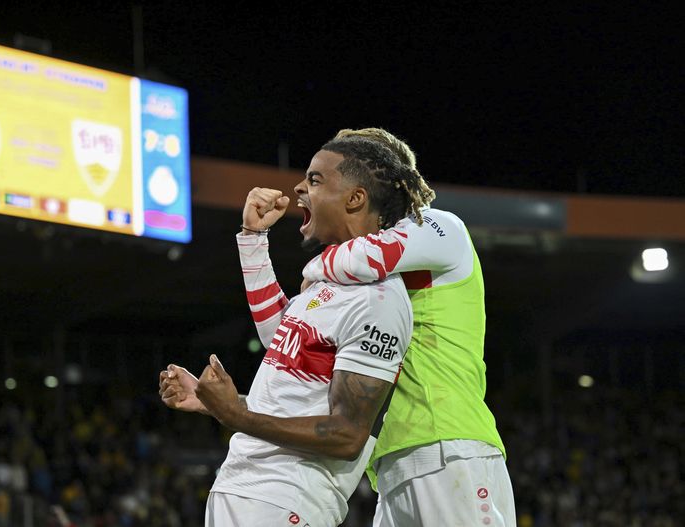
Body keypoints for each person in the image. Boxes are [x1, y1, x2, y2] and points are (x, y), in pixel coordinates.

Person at [159, 136, 423, 526]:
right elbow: (281, 360)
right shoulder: (325, 285)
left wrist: (235, 414)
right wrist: (212, 402)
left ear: (355, 199)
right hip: (245, 490)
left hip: (286, 501)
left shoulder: (377, 299)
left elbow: (346, 436)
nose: (299, 188)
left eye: (315, 180)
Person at [302, 127, 516, 526]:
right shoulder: (364, 276)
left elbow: (368, 258)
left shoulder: (439, 226)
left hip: (445, 446)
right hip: (392, 463)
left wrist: (314, 270)